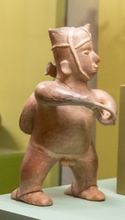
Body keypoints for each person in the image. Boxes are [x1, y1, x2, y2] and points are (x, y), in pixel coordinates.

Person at [11, 25, 116, 207]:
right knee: (32, 172)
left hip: (83, 149)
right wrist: (84, 101)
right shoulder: (47, 89)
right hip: (45, 147)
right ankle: (28, 190)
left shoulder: (94, 95)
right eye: (86, 53)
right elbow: (45, 95)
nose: (96, 58)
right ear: (66, 66)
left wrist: (109, 113)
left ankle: (84, 186)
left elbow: (106, 102)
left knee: (90, 167)